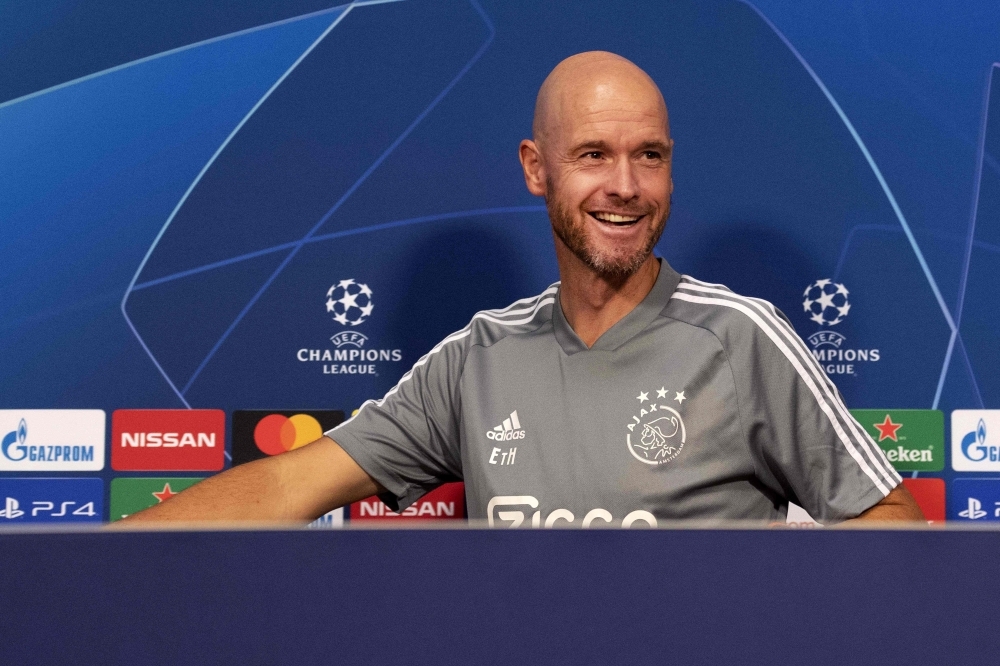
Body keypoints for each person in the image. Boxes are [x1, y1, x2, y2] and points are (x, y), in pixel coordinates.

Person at [120, 51, 924, 527]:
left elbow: (892, 526)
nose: (626, 186)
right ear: (536, 170)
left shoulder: (743, 337)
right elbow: (288, 483)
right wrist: (73, 564)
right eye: (593, 156)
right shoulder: (479, 357)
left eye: (650, 155)